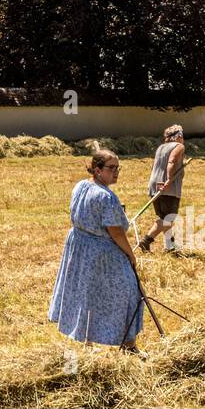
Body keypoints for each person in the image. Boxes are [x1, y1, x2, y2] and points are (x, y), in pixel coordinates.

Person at [47, 148, 142, 351]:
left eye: (118, 168)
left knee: (86, 292)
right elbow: (116, 232)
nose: (116, 172)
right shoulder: (106, 197)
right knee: (129, 291)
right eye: (111, 168)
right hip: (100, 253)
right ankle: (128, 345)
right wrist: (130, 254)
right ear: (97, 170)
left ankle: (88, 341)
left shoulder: (81, 185)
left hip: (79, 246)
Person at [138, 125, 185, 254]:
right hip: (168, 187)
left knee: (164, 217)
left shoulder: (160, 148)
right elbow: (172, 162)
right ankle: (146, 240)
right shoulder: (178, 146)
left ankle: (170, 247)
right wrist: (169, 179)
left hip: (155, 184)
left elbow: (153, 166)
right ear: (179, 136)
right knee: (167, 219)